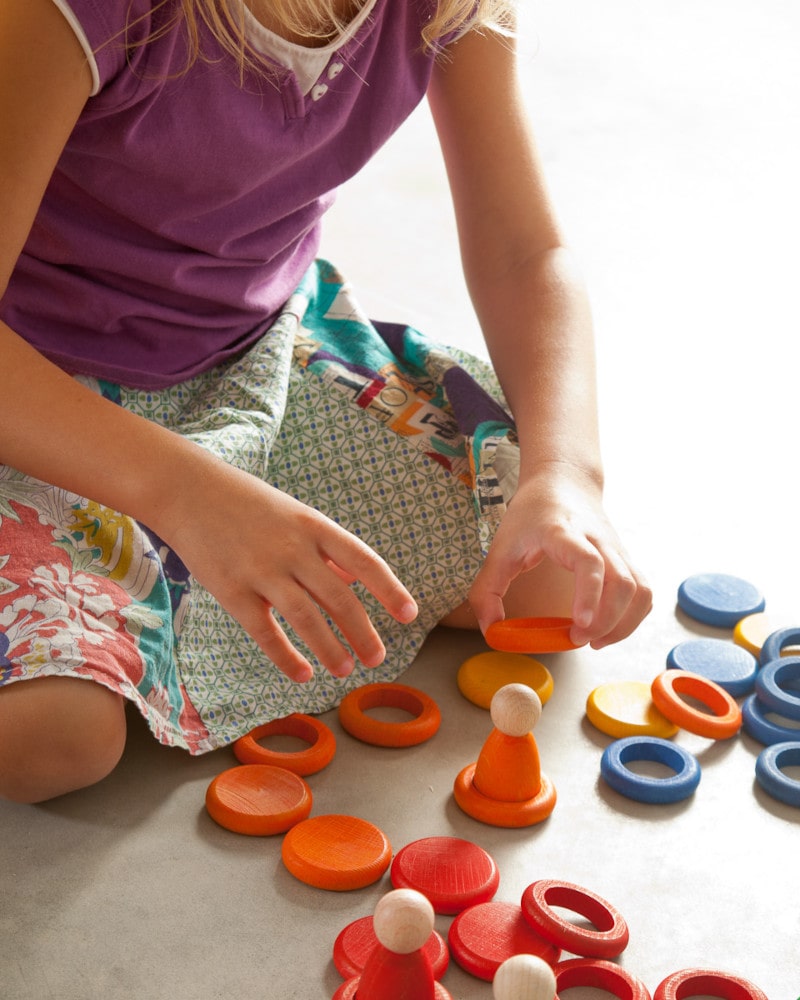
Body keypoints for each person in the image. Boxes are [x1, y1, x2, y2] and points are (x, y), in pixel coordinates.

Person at [0, 0, 652, 803]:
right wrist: (188, 493)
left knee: (541, 579)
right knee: (53, 736)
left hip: (257, 355)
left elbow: (526, 251)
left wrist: (568, 474)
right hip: (37, 399)